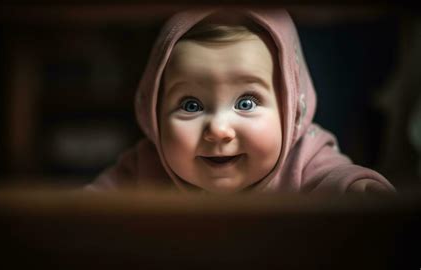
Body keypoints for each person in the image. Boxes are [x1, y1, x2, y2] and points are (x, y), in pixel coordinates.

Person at [87, 9, 395, 194]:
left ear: (290, 110)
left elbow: (334, 179)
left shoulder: (305, 158)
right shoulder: (146, 166)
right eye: (191, 105)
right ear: (154, 113)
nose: (219, 130)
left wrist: (355, 189)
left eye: (246, 103)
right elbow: (87, 212)